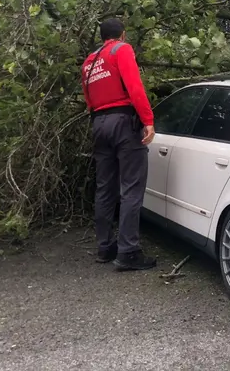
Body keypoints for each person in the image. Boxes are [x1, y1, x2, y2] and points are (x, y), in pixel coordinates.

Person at [80, 18, 157, 271]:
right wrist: (148, 120)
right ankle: (128, 252)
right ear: (122, 34)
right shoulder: (121, 50)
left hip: (98, 123)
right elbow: (135, 87)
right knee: (131, 188)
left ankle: (105, 247)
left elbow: (88, 97)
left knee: (104, 189)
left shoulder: (90, 61)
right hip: (122, 122)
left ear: (102, 36)